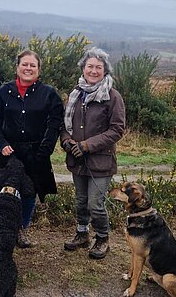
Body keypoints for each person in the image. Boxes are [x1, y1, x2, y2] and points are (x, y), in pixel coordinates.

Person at [0, 49, 63, 248]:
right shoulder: (4, 91)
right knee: (6, 191)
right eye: (24, 64)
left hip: (35, 153)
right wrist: (1, 144)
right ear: (17, 67)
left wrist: (44, 151)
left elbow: (54, 124)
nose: (28, 68)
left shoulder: (49, 94)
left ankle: (21, 229)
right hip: (8, 152)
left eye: (33, 65)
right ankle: (3, 228)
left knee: (29, 192)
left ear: (39, 70)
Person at [61, 47, 125, 259]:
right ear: (83, 68)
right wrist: (66, 141)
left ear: (105, 70)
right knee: (80, 200)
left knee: (94, 203)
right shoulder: (76, 94)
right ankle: (82, 234)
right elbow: (65, 125)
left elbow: (117, 130)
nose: (94, 71)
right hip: (77, 159)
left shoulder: (113, 96)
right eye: (90, 66)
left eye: (99, 67)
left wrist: (87, 145)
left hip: (101, 162)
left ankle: (102, 238)